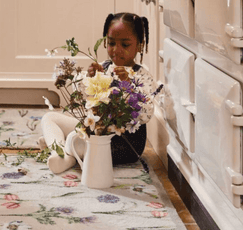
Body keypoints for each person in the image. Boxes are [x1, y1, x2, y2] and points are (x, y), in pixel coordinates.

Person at [40, 12, 156, 174]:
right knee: (49, 118)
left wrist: (129, 86)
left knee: (75, 138)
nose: (116, 50)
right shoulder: (104, 67)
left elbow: (146, 114)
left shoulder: (143, 76)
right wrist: (87, 78)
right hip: (96, 131)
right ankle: (58, 152)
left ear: (139, 45)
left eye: (125, 44)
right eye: (111, 43)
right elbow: (82, 98)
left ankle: (64, 151)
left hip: (123, 143)